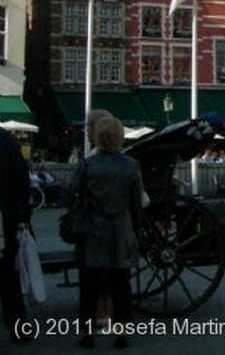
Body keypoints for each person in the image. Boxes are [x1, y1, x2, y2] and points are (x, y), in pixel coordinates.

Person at [74, 116, 144, 350]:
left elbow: (73, 193)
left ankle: (88, 332)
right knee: (121, 284)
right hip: (120, 228)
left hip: (93, 229)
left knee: (89, 285)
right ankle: (122, 332)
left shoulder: (87, 164)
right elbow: (136, 202)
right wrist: (136, 228)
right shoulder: (130, 165)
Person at [0, 127, 31, 344]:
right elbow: (22, 179)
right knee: (9, 274)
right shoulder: (7, 141)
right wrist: (23, 215)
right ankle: (19, 326)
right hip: (5, 216)